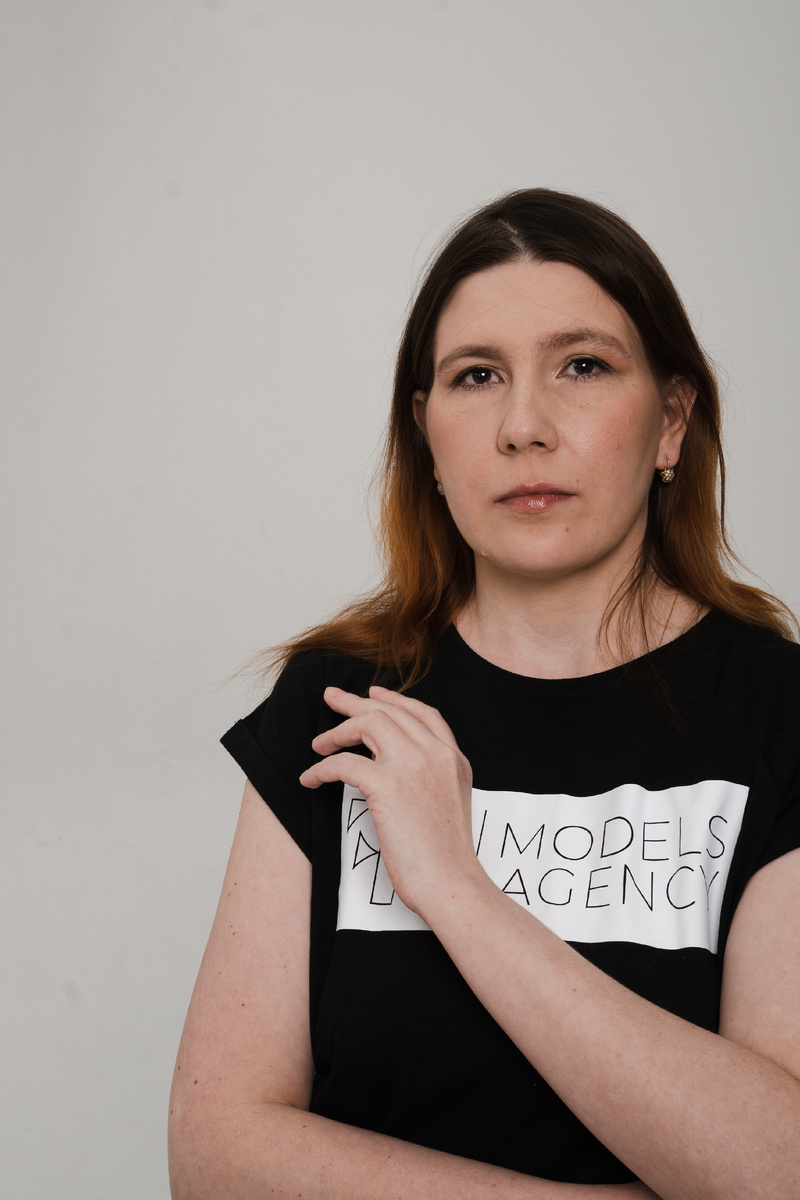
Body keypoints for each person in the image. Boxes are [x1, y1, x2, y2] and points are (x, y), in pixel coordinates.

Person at [168, 189, 800, 1199]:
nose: (523, 426)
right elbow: (217, 1157)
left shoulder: (778, 712)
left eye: (581, 366)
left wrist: (455, 889)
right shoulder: (337, 704)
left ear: (671, 421)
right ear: (426, 433)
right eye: (476, 376)